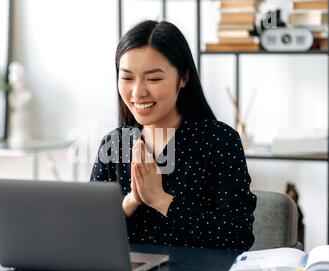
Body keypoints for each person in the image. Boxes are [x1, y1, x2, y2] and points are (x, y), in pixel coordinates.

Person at [90, 20, 256, 250]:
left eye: (154, 79)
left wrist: (160, 199)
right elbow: (88, 232)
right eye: (127, 78)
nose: (138, 92)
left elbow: (238, 236)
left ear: (184, 77)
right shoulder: (114, 144)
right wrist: (132, 200)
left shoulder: (219, 141)